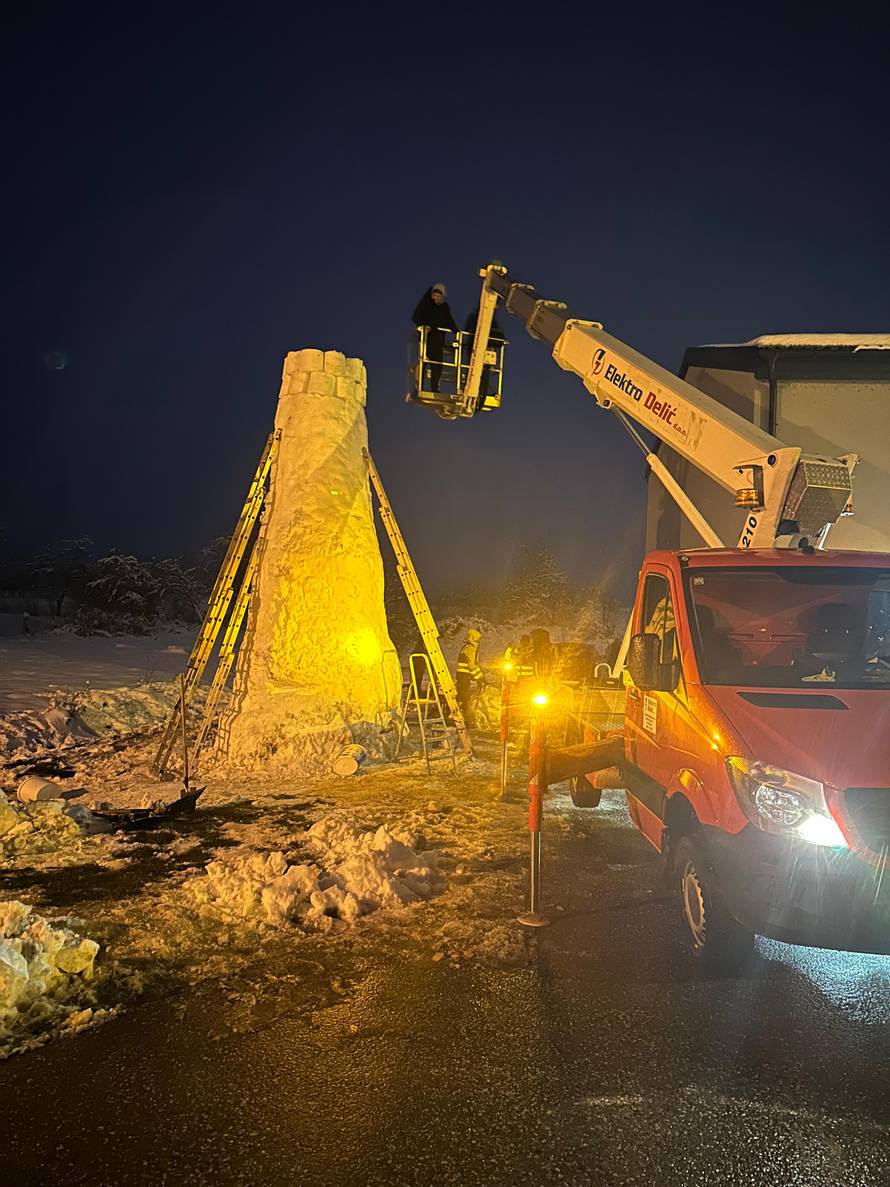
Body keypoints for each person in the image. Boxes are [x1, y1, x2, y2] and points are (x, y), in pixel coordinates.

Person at [411, 283, 457, 395]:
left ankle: (435, 389)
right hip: (426, 340)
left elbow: (449, 321)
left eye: (440, 296)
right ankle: (419, 388)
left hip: (438, 341)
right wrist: (424, 326)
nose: (437, 298)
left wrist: (457, 332)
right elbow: (415, 317)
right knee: (423, 364)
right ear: (432, 295)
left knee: (437, 366)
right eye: (435, 295)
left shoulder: (445, 308)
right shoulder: (425, 304)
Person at [463, 307, 505, 405]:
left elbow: (467, 332)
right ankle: (480, 394)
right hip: (481, 351)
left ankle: (479, 394)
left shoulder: (476, 318)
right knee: (483, 374)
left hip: (480, 351)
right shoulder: (491, 320)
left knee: (477, 373)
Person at [455, 627, 484, 728]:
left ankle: (460, 717)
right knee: (464, 697)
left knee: (463, 695)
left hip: (462, 676)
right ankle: (461, 718)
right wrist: (479, 678)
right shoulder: (471, 648)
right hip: (464, 676)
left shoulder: (466, 647)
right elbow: (472, 666)